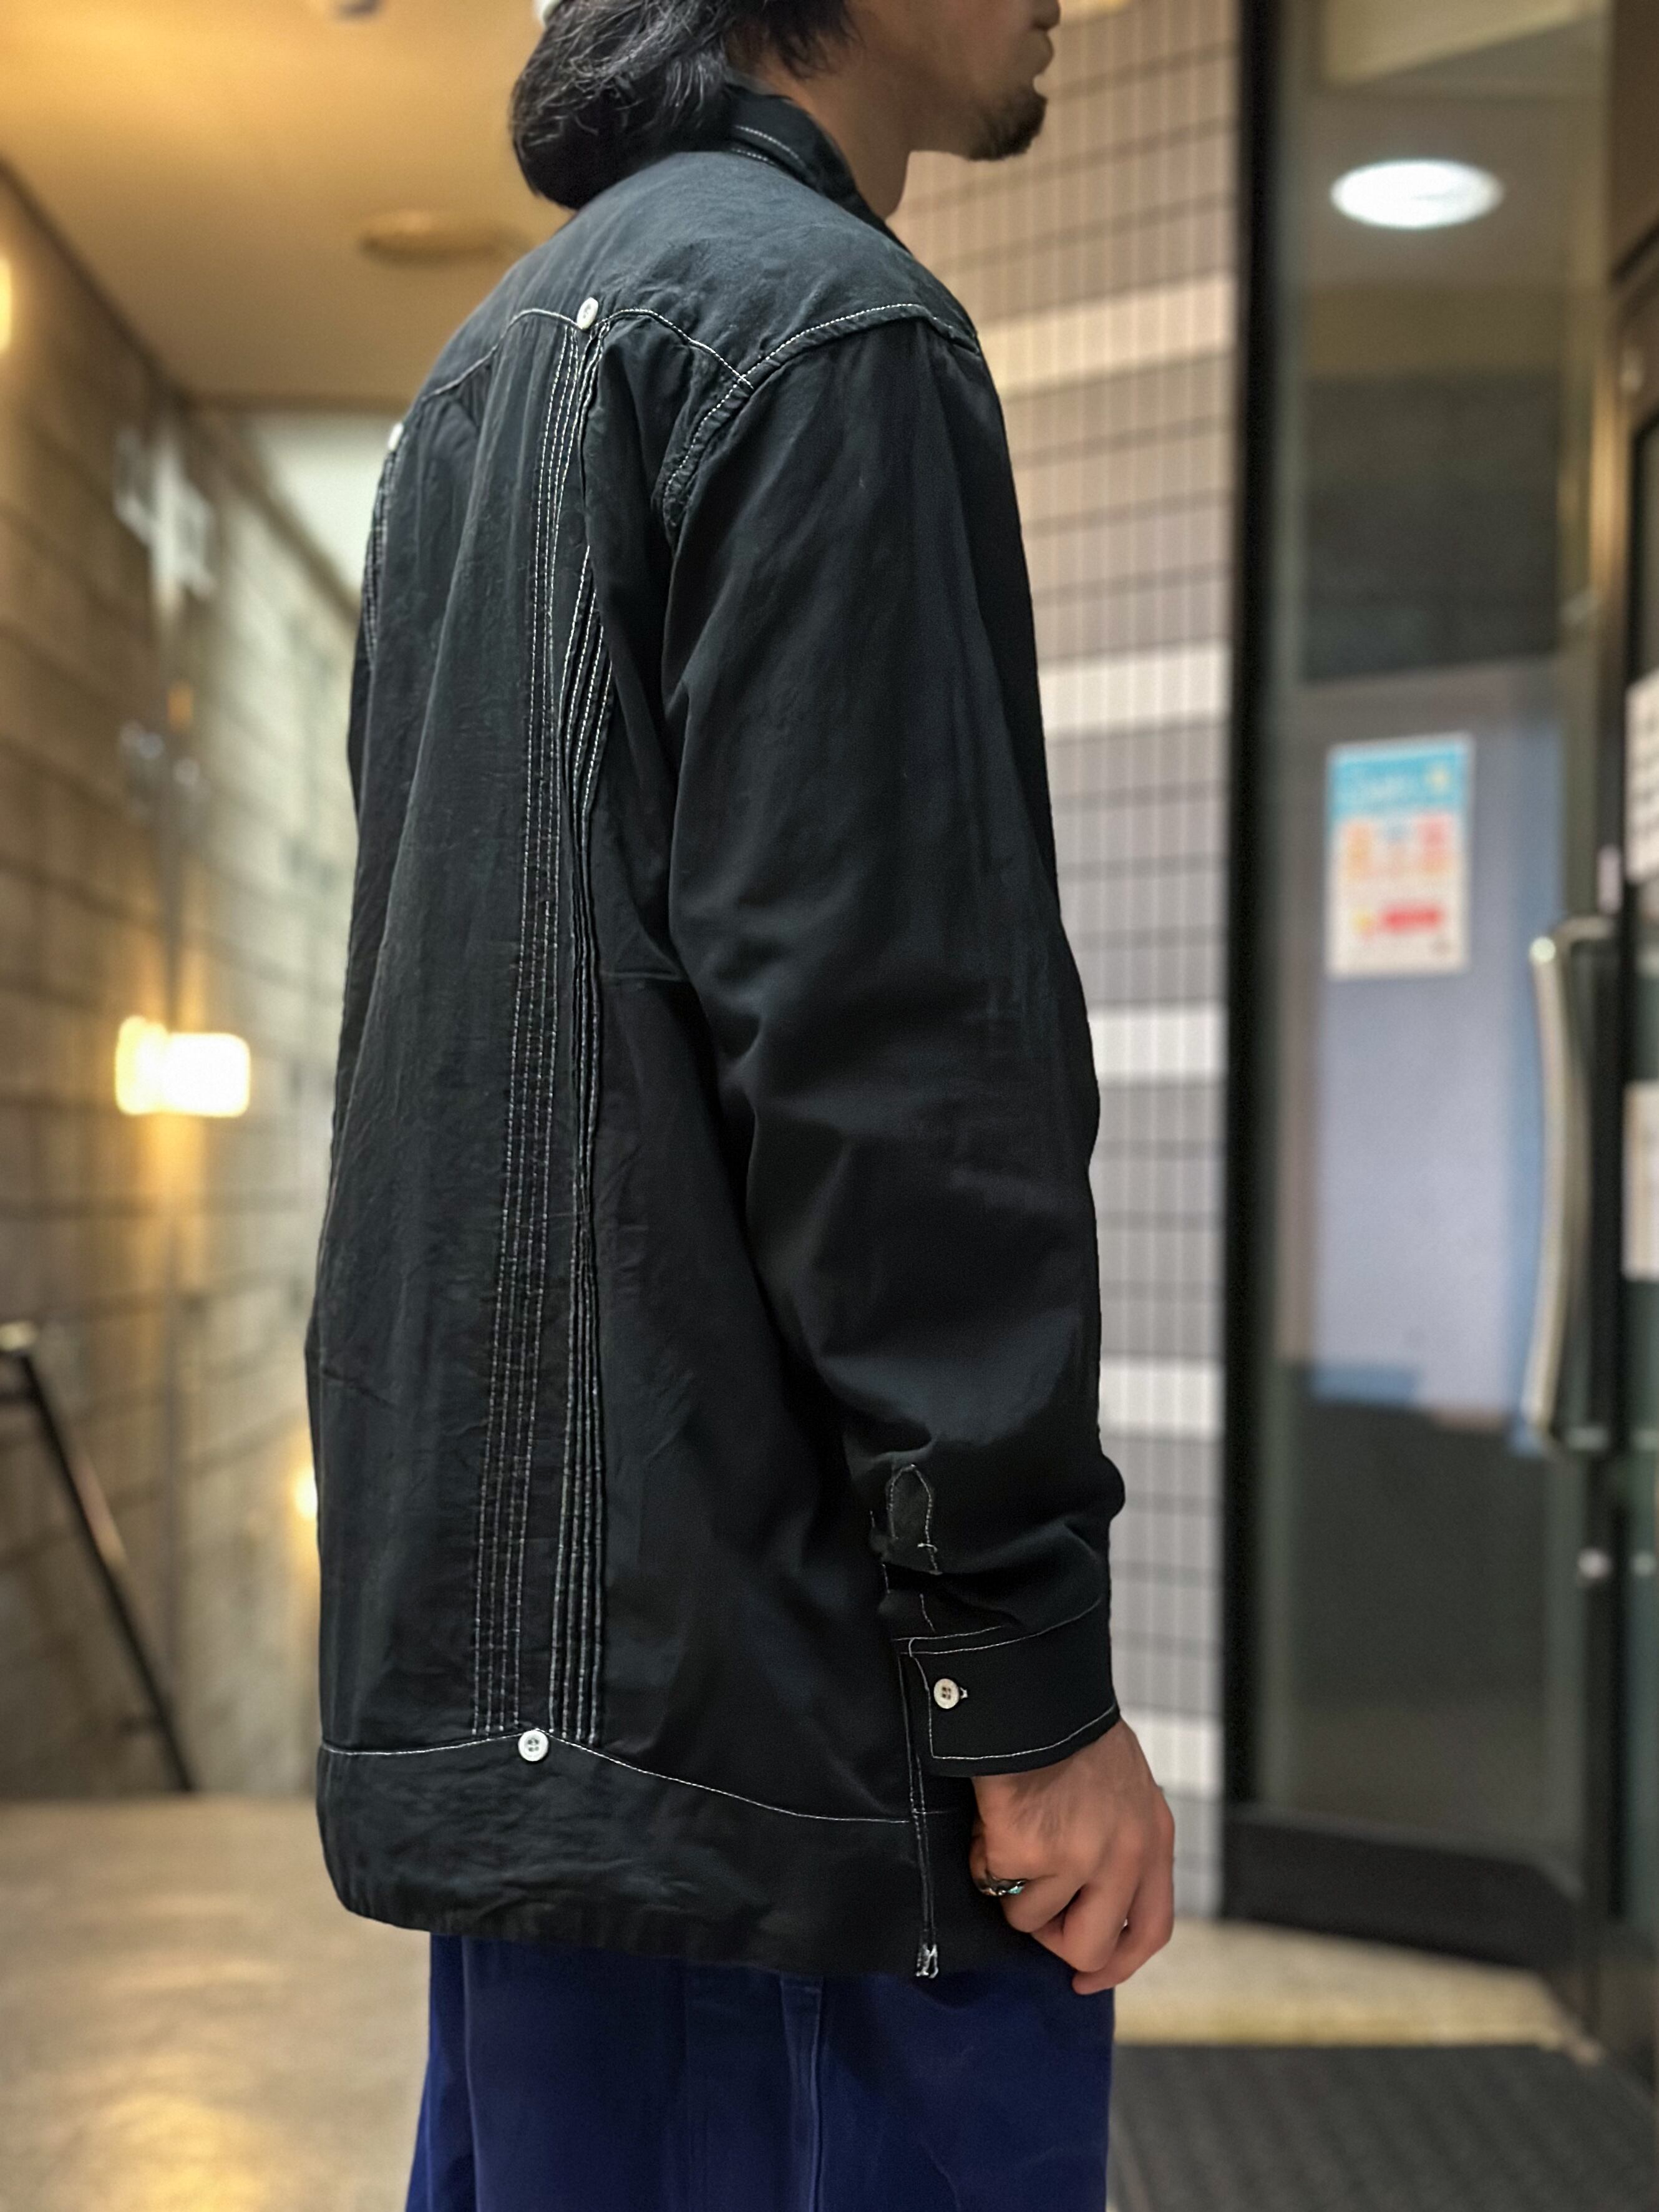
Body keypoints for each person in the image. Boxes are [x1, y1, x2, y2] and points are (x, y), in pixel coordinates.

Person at [306, 0, 1175, 2198]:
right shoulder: (827, 335)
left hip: (571, 1716)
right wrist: (1017, 1681)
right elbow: (894, 1060)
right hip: (792, 1737)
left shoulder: (484, 374)